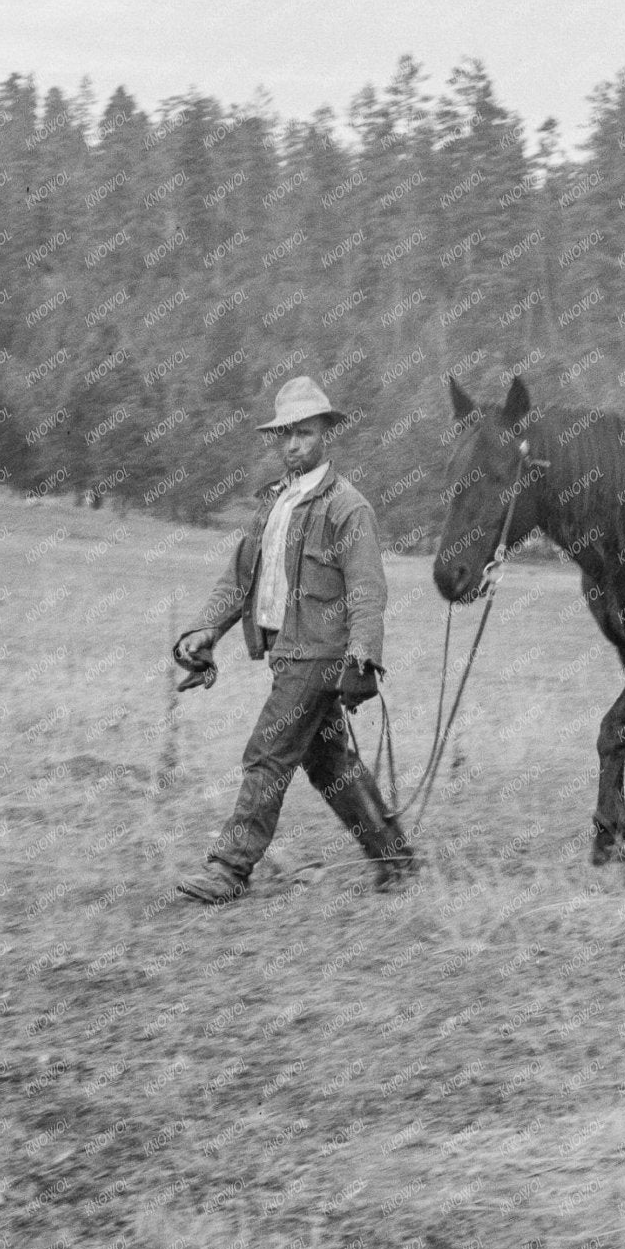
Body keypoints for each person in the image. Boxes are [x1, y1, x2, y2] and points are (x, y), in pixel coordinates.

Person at [174, 376, 414, 904]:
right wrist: (204, 631)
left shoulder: (347, 508)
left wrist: (364, 657)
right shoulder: (273, 505)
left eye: (304, 433)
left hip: (321, 656)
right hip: (287, 654)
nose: (292, 445)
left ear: (327, 433)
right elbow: (238, 579)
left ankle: (229, 870)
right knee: (329, 763)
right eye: (284, 435)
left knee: (267, 754)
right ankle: (395, 858)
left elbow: (368, 590)